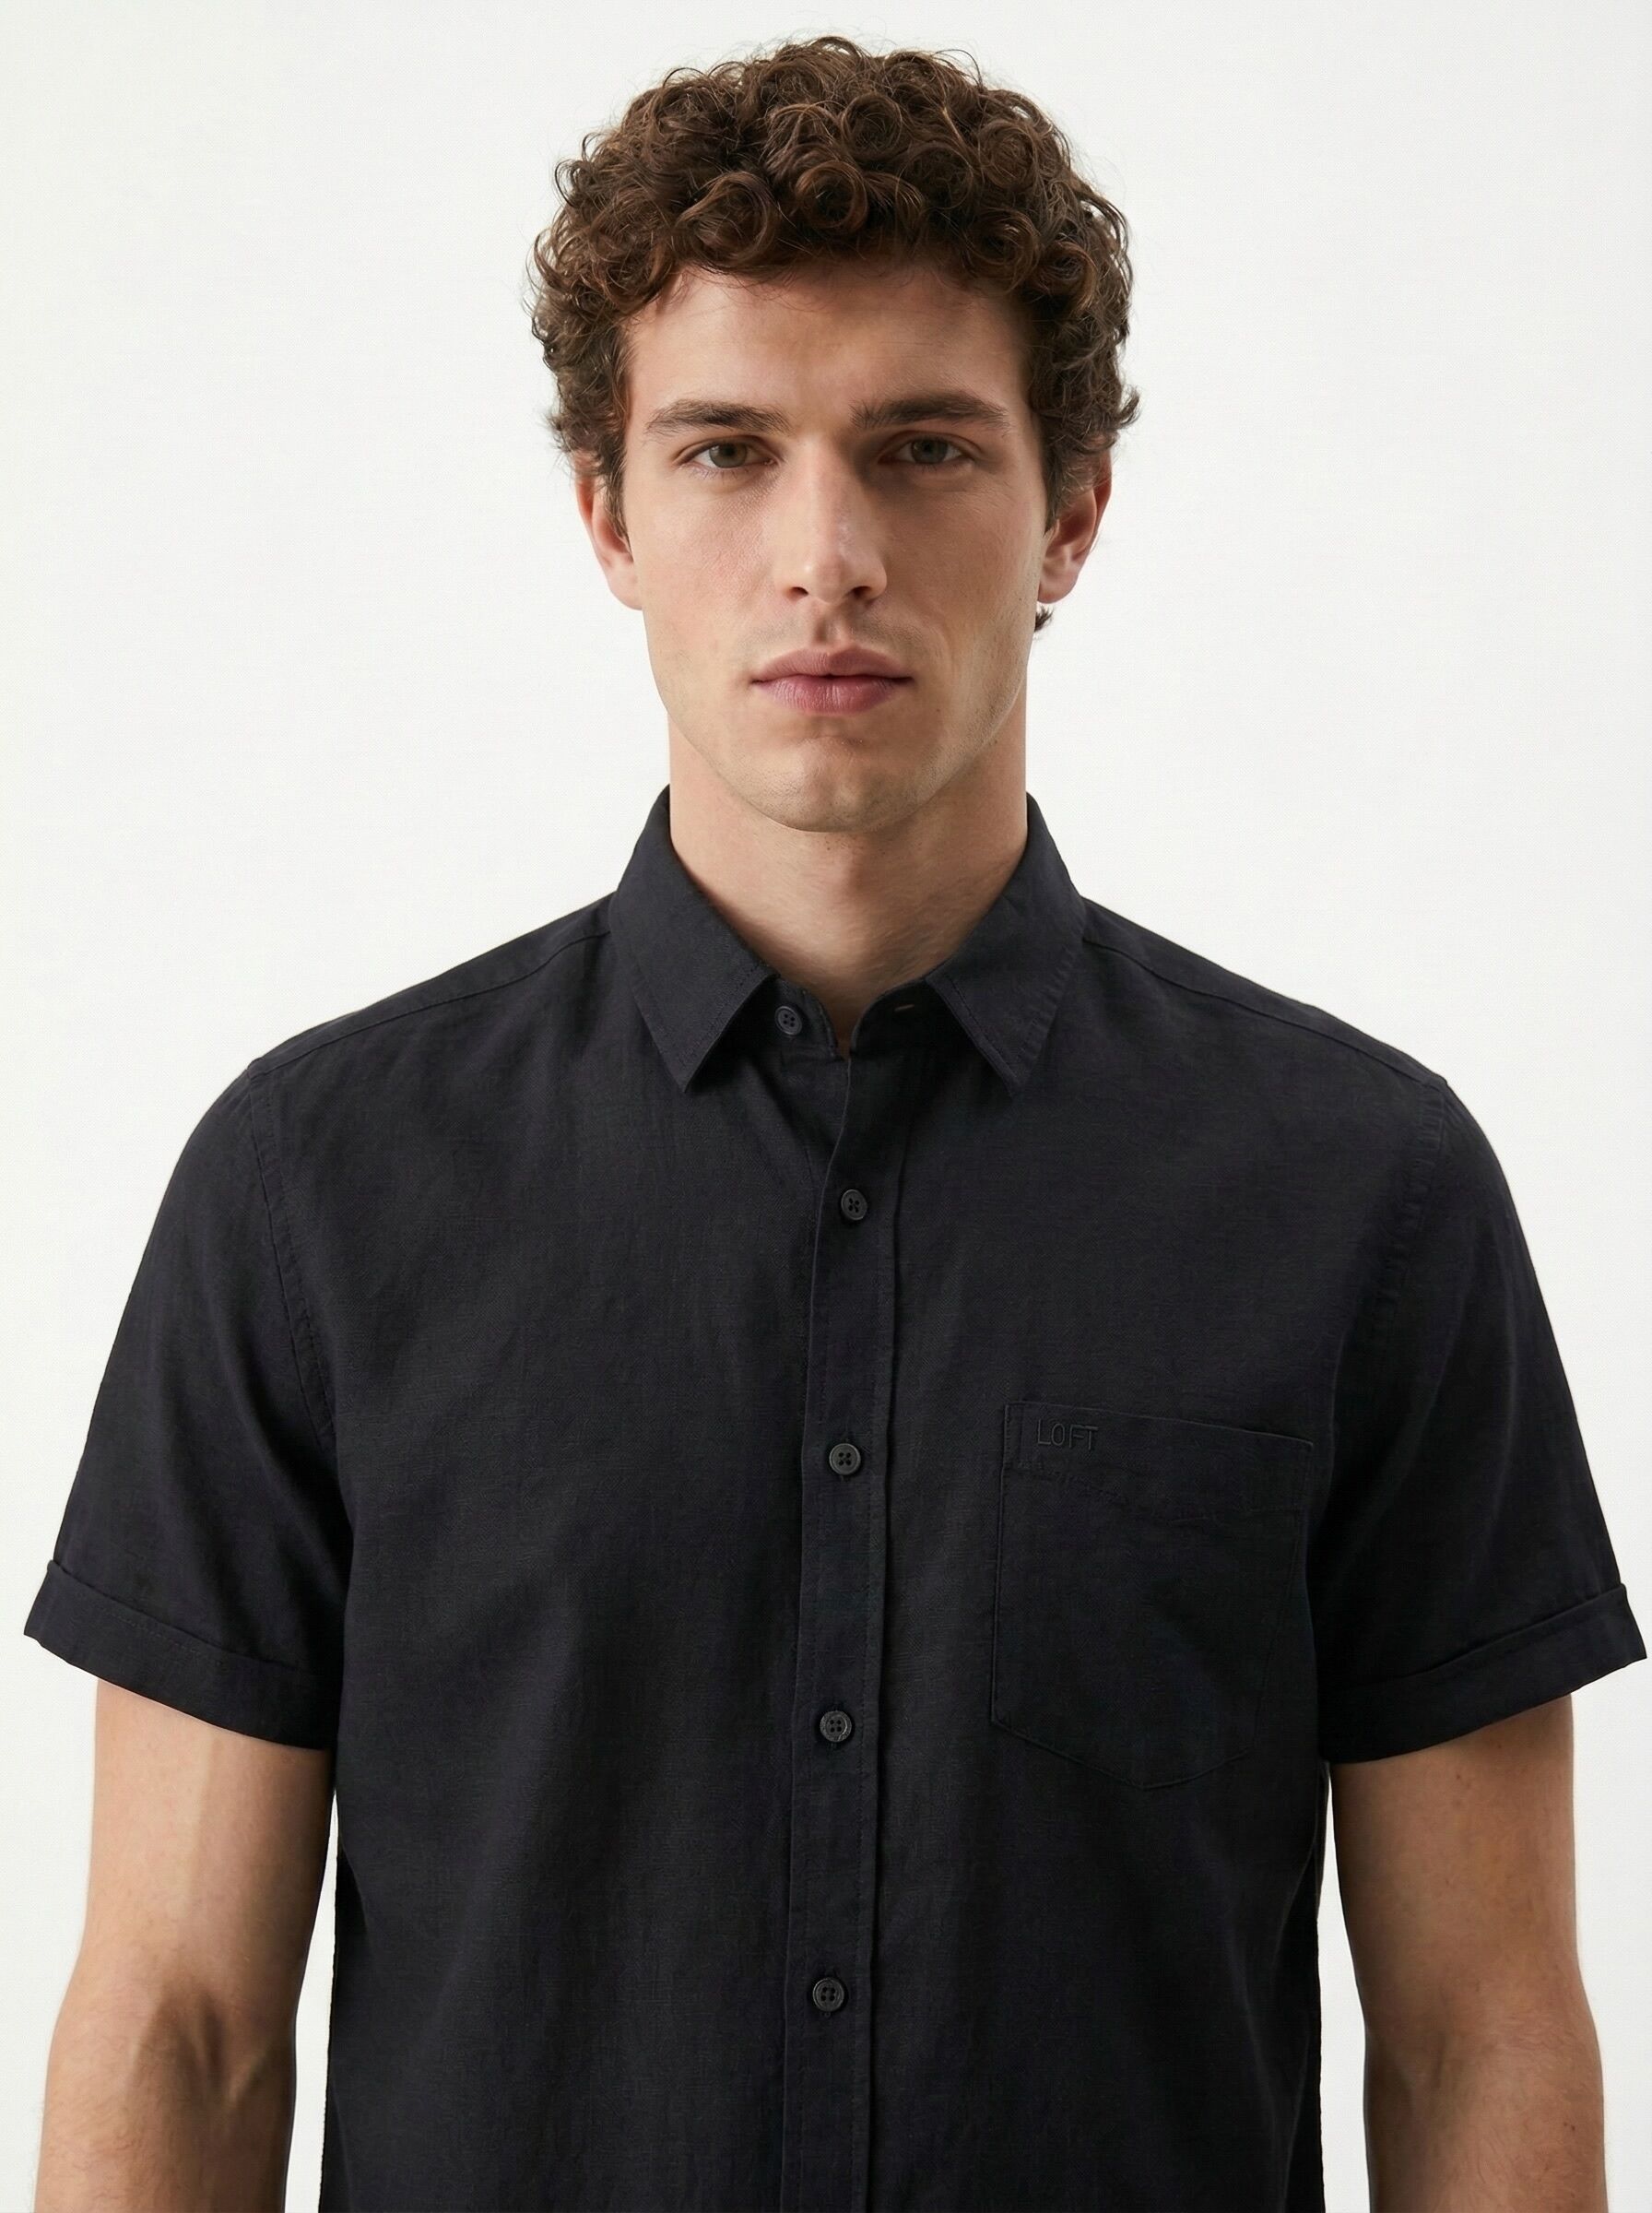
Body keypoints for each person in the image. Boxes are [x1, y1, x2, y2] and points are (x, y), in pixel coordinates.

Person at [23, 31, 1644, 2213]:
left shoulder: (1362, 1195)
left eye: (920, 450)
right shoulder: (313, 1192)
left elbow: (1473, 2033)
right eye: (725, 451)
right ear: (606, 515)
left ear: (1068, 511)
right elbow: (182, 2029)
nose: (828, 554)